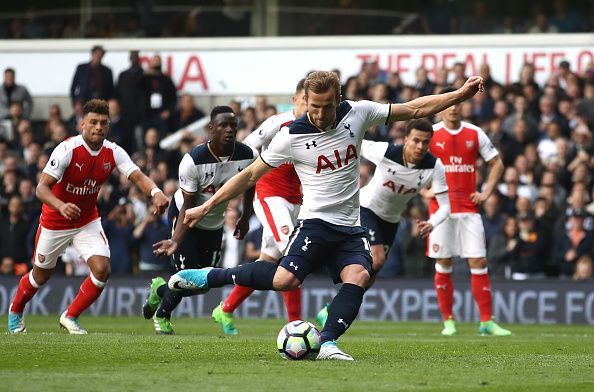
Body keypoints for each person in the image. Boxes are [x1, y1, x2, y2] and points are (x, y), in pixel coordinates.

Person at [161, 70, 484, 360]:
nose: (318, 113)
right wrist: (206, 205)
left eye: (325, 106)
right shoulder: (291, 135)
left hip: (350, 225)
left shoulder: (358, 113)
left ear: (338, 100)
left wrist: (459, 95)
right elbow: (249, 176)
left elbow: (414, 109)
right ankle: (207, 276)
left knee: (359, 275)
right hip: (314, 223)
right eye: (312, 106)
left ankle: (327, 342)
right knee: (285, 280)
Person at [7, 99, 169, 334]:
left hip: (86, 221)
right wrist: (61, 206)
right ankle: (16, 310)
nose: (98, 127)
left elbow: (137, 175)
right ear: (82, 124)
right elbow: (41, 188)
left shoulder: (112, 152)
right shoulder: (67, 150)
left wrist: (155, 192)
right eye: (93, 122)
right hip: (55, 221)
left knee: (102, 269)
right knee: (40, 275)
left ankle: (70, 316)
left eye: (103, 122)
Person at [316, 118, 451, 326]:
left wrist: (432, 223)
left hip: (391, 220)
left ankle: (331, 308)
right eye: (416, 140)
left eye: (426, 142)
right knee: (376, 260)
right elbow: (353, 142)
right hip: (366, 209)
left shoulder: (434, 166)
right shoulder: (386, 152)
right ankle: (337, 304)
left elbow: (446, 206)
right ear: (406, 139)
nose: (420, 146)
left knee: (373, 271)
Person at [143, 106, 258, 335]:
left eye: (233, 126)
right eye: (223, 125)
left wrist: (245, 217)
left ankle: (159, 290)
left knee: (203, 284)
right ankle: (163, 315)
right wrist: (176, 239)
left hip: (214, 223)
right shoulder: (193, 161)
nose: (229, 130)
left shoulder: (248, 155)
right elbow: (188, 204)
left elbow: (250, 183)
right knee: (184, 275)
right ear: (210, 129)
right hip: (187, 217)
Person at [211, 79, 307, 335]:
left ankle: (226, 308)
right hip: (270, 194)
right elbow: (247, 148)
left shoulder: (318, 127)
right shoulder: (278, 123)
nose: (311, 107)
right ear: (295, 100)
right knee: (292, 257)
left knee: (267, 261)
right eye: (306, 100)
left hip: (295, 200)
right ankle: (295, 324)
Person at [425, 87, 511, 337]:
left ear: (463, 105)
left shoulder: (475, 133)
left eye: (458, 102)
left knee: (479, 261)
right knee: (444, 262)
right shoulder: (430, 134)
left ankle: (486, 321)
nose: (453, 107)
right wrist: (423, 191)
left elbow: (496, 163)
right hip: (440, 209)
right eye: (449, 103)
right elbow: (414, 163)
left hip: (469, 208)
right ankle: (448, 321)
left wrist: (485, 192)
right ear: (440, 106)